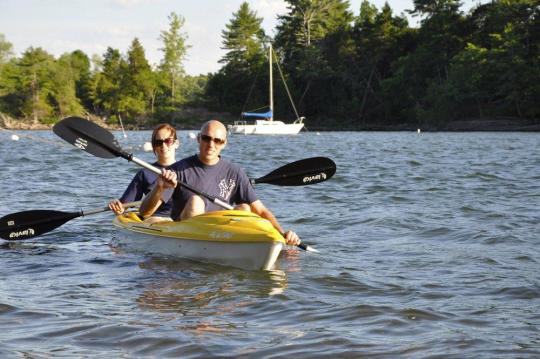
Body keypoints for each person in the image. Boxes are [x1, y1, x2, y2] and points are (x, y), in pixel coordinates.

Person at [139, 120, 301, 246]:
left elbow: (262, 211)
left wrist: (282, 234)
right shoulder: (178, 170)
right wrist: (159, 188)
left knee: (245, 207)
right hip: (188, 237)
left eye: (217, 140)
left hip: (223, 235)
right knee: (196, 201)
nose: (211, 144)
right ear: (198, 139)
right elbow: (145, 213)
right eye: (207, 138)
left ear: (224, 143)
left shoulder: (235, 172)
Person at [108, 123, 179, 223]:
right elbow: (124, 205)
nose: (163, 145)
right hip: (156, 220)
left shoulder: (186, 169)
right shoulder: (145, 173)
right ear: (154, 146)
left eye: (168, 141)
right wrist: (118, 207)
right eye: (158, 142)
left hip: (183, 219)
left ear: (176, 143)